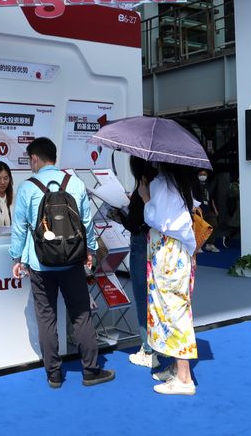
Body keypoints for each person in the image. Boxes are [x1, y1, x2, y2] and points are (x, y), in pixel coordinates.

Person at [9, 137, 114, 388]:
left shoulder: (27, 187)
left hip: (40, 264)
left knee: (46, 317)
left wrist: (16, 258)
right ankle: (90, 370)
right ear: (54, 157)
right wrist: (89, 250)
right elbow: (86, 223)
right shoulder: (75, 184)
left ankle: (54, 375)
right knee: (81, 315)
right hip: (72, 262)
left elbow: (20, 228)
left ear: (35, 158)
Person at [138, 162, 198, 395]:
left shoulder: (161, 184)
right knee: (176, 308)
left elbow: (157, 219)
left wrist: (145, 197)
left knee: (173, 311)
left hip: (167, 253)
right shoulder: (182, 184)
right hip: (178, 251)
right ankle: (176, 367)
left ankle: (184, 378)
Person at [112, 156, 156, 368]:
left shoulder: (144, 184)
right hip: (160, 244)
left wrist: (120, 212)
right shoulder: (163, 181)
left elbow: (135, 223)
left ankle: (148, 349)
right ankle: (159, 345)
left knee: (141, 295)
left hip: (142, 243)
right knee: (157, 295)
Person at [193, 169, 220, 253]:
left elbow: (210, 198)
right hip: (199, 209)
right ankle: (198, 245)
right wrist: (195, 208)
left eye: (204, 174)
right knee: (199, 228)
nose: (203, 176)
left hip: (208, 209)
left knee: (214, 224)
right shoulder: (195, 185)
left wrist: (215, 209)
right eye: (201, 174)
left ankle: (210, 244)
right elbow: (192, 197)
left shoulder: (208, 185)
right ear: (198, 175)